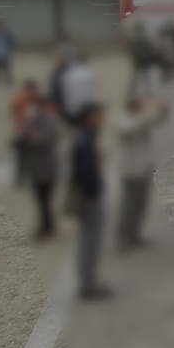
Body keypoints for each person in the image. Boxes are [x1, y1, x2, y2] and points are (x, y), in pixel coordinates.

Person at [115, 95, 168, 252]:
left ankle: (134, 235)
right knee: (128, 206)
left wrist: (163, 110)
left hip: (144, 168)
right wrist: (148, 113)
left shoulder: (141, 119)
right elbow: (130, 128)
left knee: (140, 204)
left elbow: (157, 120)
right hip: (130, 171)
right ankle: (122, 238)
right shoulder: (123, 120)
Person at [72, 103, 112, 299]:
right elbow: (84, 173)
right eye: (97, 117)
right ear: (88, 118)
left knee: (89, 242)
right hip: (90, 199)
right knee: (90, 243)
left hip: (89, 196)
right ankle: (88, 286)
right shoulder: (84, 140)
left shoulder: (85, 137)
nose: (101, 120)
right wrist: (94, 192)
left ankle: (88, 282)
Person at [20, 96, 60, 241]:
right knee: (40, 200)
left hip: (48, 168)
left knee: (45, 200)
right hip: (36, 168)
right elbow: (23, 137)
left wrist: (35, 137)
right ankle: (47, 226)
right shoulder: (30, 122)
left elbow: (46, 140)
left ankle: (46, 227)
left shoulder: (50, 122)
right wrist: (29, 136)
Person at [0, 19, 15, 88]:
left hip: (4, 55)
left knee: (6, 69)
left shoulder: (6, 35)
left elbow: (11, 42)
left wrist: (10, 49)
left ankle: (8, 82)